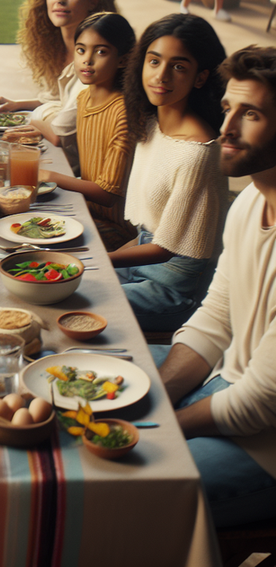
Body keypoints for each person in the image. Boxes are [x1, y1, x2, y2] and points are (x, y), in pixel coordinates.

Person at [152, 45, 276, 528]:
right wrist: (158, 394)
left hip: (265, 446)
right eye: (228, 108)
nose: (226, 129)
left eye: (251, 115)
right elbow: (215, 317)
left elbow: (259, 404)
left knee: (136, 484)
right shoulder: (249, 203)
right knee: (103, 378)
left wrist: (158, 426)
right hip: (226, 384)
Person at [111, 14, 229, 332]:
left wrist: (101, 259)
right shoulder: (150, 125)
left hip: (172, 288)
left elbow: (166, 248)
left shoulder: (198, 153)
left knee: (85, 301)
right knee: (64, 286)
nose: (161, 76)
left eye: (178, 67)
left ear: (200, 77)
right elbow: (147, 234)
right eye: (154, 61)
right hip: (141, 256)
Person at [0, 0, 117, 170]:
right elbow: (61, 100)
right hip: (62, 152)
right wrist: (18, 104)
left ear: (93, 0)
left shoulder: (98, 59)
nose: (59, 0)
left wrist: (32, 119)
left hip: (87, 165)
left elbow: (59, 130)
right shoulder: (57, 48)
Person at [39, 12, 137, 252]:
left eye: (101, 52)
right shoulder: (84, 98)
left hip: (117, 227)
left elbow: (107, 194)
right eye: (81, 50)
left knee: (39, 246)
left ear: (122, 60)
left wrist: (49, 176)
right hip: (85, 208)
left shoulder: (123, 112)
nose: (87, 60)